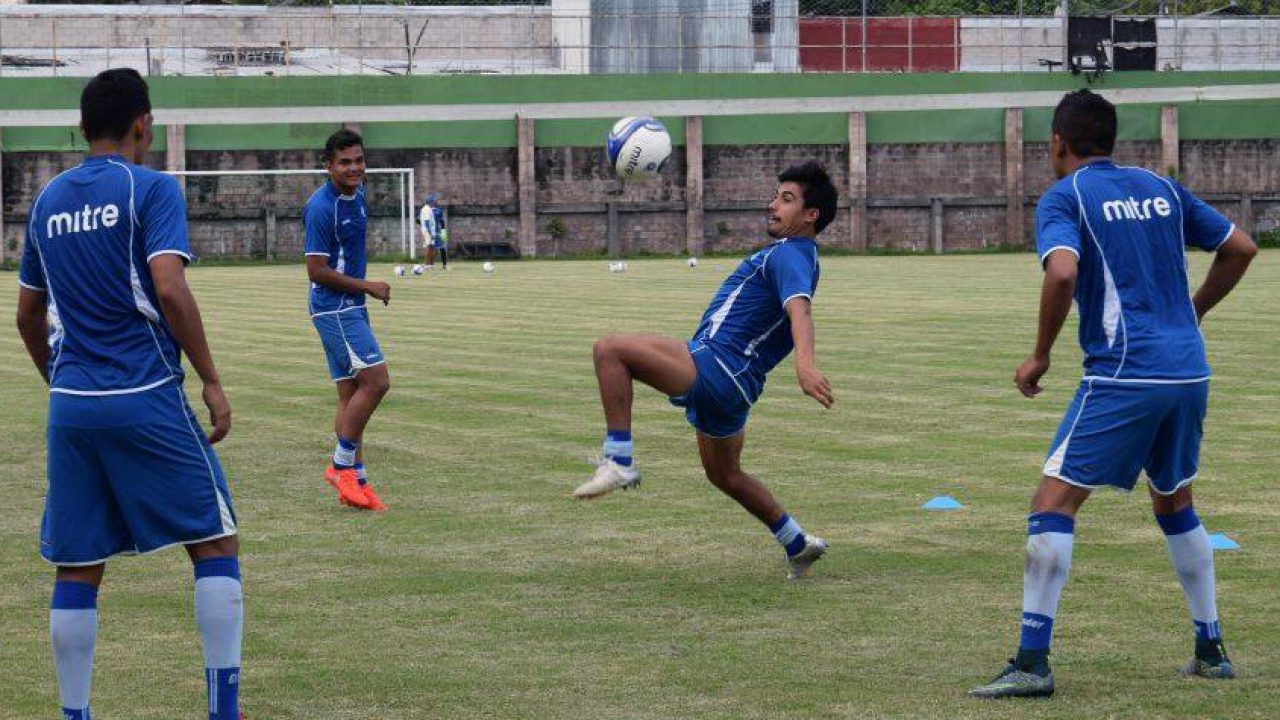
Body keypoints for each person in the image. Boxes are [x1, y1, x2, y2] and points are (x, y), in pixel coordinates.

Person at [970, 89, 1257, 699]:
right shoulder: (1161, 187)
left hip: (1126, 372)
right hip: (1188, 371)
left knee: (1053, 502)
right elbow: (1241, 247)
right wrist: (1192, 312)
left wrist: (1040, 353)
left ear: (1057, 142)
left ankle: (1031, 663)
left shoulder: (1066, 195)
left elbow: (1062, 271)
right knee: (1174, 502)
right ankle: (1211, 649)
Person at [15, 68, 244, 720]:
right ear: (143, 124)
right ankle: (224, 710)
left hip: (71, 405)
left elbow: (27, 316)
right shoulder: (152, 188)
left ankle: (75, 713)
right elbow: (169, 286)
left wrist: (61, 382)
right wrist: (211, 378)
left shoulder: (48, 201)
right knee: (215, 542)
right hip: (144, 392)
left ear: (82, 127)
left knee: (79, 562)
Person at [575, 161, 837, 580]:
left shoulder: (791, 253)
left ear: (811, 215)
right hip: (738, 385)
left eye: (786, 200)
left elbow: (799, 310)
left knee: (610, 351)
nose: (773, 205)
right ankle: (797, 543)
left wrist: (805, 366)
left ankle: (619, 460)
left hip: (717, 364)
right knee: (725, 475)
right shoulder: (798, 255)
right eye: (775, 196)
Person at [304, 129, 392, 512]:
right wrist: (367, 286)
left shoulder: (358, 197)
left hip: (348, 306)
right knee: (377, 381)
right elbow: (316, 270)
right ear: (328, 166)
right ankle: (340, 466)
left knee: (349, 393)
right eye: (344, 162)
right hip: (335, 307)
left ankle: (357, 481)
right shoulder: (321, 208)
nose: (354, 168)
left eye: (358, 160)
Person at [419, 193, 448, 270]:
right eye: (434, 200)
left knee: (432, 247)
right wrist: (429, 232)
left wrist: (440, 231)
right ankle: (426, 265)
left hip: (431, 231)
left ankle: (431, 265)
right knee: (429, 246)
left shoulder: (429, 209)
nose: (436, 201)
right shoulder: (426, 209)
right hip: (428, 231)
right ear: (431, 201)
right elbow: (427, 222)